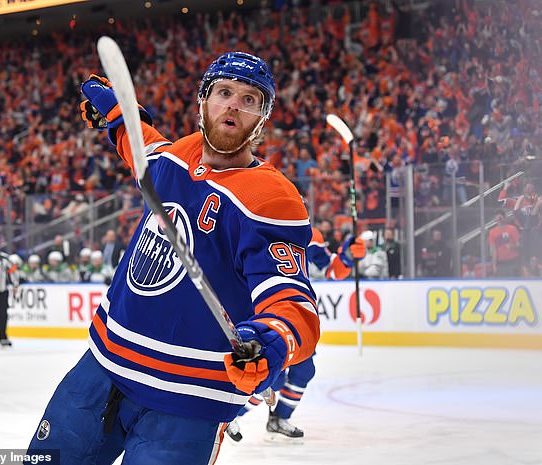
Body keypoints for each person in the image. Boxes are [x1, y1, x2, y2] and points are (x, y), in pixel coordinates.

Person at [26, 52, 321, 465]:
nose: (233, 104)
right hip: (102, 369)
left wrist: (272, 339)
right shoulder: (178, 156)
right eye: (224, 92)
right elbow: (142, 146)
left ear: (262, 118)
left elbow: (293, 302)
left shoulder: (271, 198)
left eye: (250, 99)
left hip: (189, 399)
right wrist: (119, 116)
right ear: (203, 102)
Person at [226, 226, 364, 442]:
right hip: (262, 311)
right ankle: (232, 414)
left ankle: (279, 418)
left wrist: (347, 256)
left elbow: (333, 270)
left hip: (294, 314)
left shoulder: (310, 234)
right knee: (271, 376)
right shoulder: (253, 225)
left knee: (304, 370)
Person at [488, 209, 521, 277]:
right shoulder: (492, 232)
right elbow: (493, 250)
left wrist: (513, 247)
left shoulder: (512, 229)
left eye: (501, 216)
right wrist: (494, 265)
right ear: (495, 218)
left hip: (513, 261)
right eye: (497, 216)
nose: (499, 218)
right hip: (501, 263)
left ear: (504, 218)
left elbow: (519, 245)